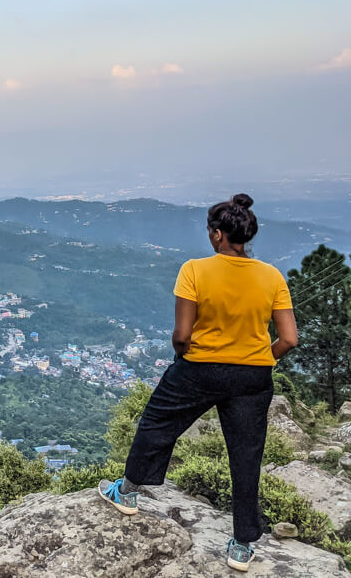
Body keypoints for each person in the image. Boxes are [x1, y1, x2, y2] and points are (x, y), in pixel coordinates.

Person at [97, 193, 299, 572]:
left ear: (218, 235)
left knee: (157, 423)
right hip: (253, 377)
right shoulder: (271, 276)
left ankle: (126, 493)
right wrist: (257, 360)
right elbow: (289, 338)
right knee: (246, 455)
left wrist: (184, 357)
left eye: (212, 231)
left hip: (200, 368)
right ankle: (241, 545)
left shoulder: (194, 270)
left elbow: (181, 333)